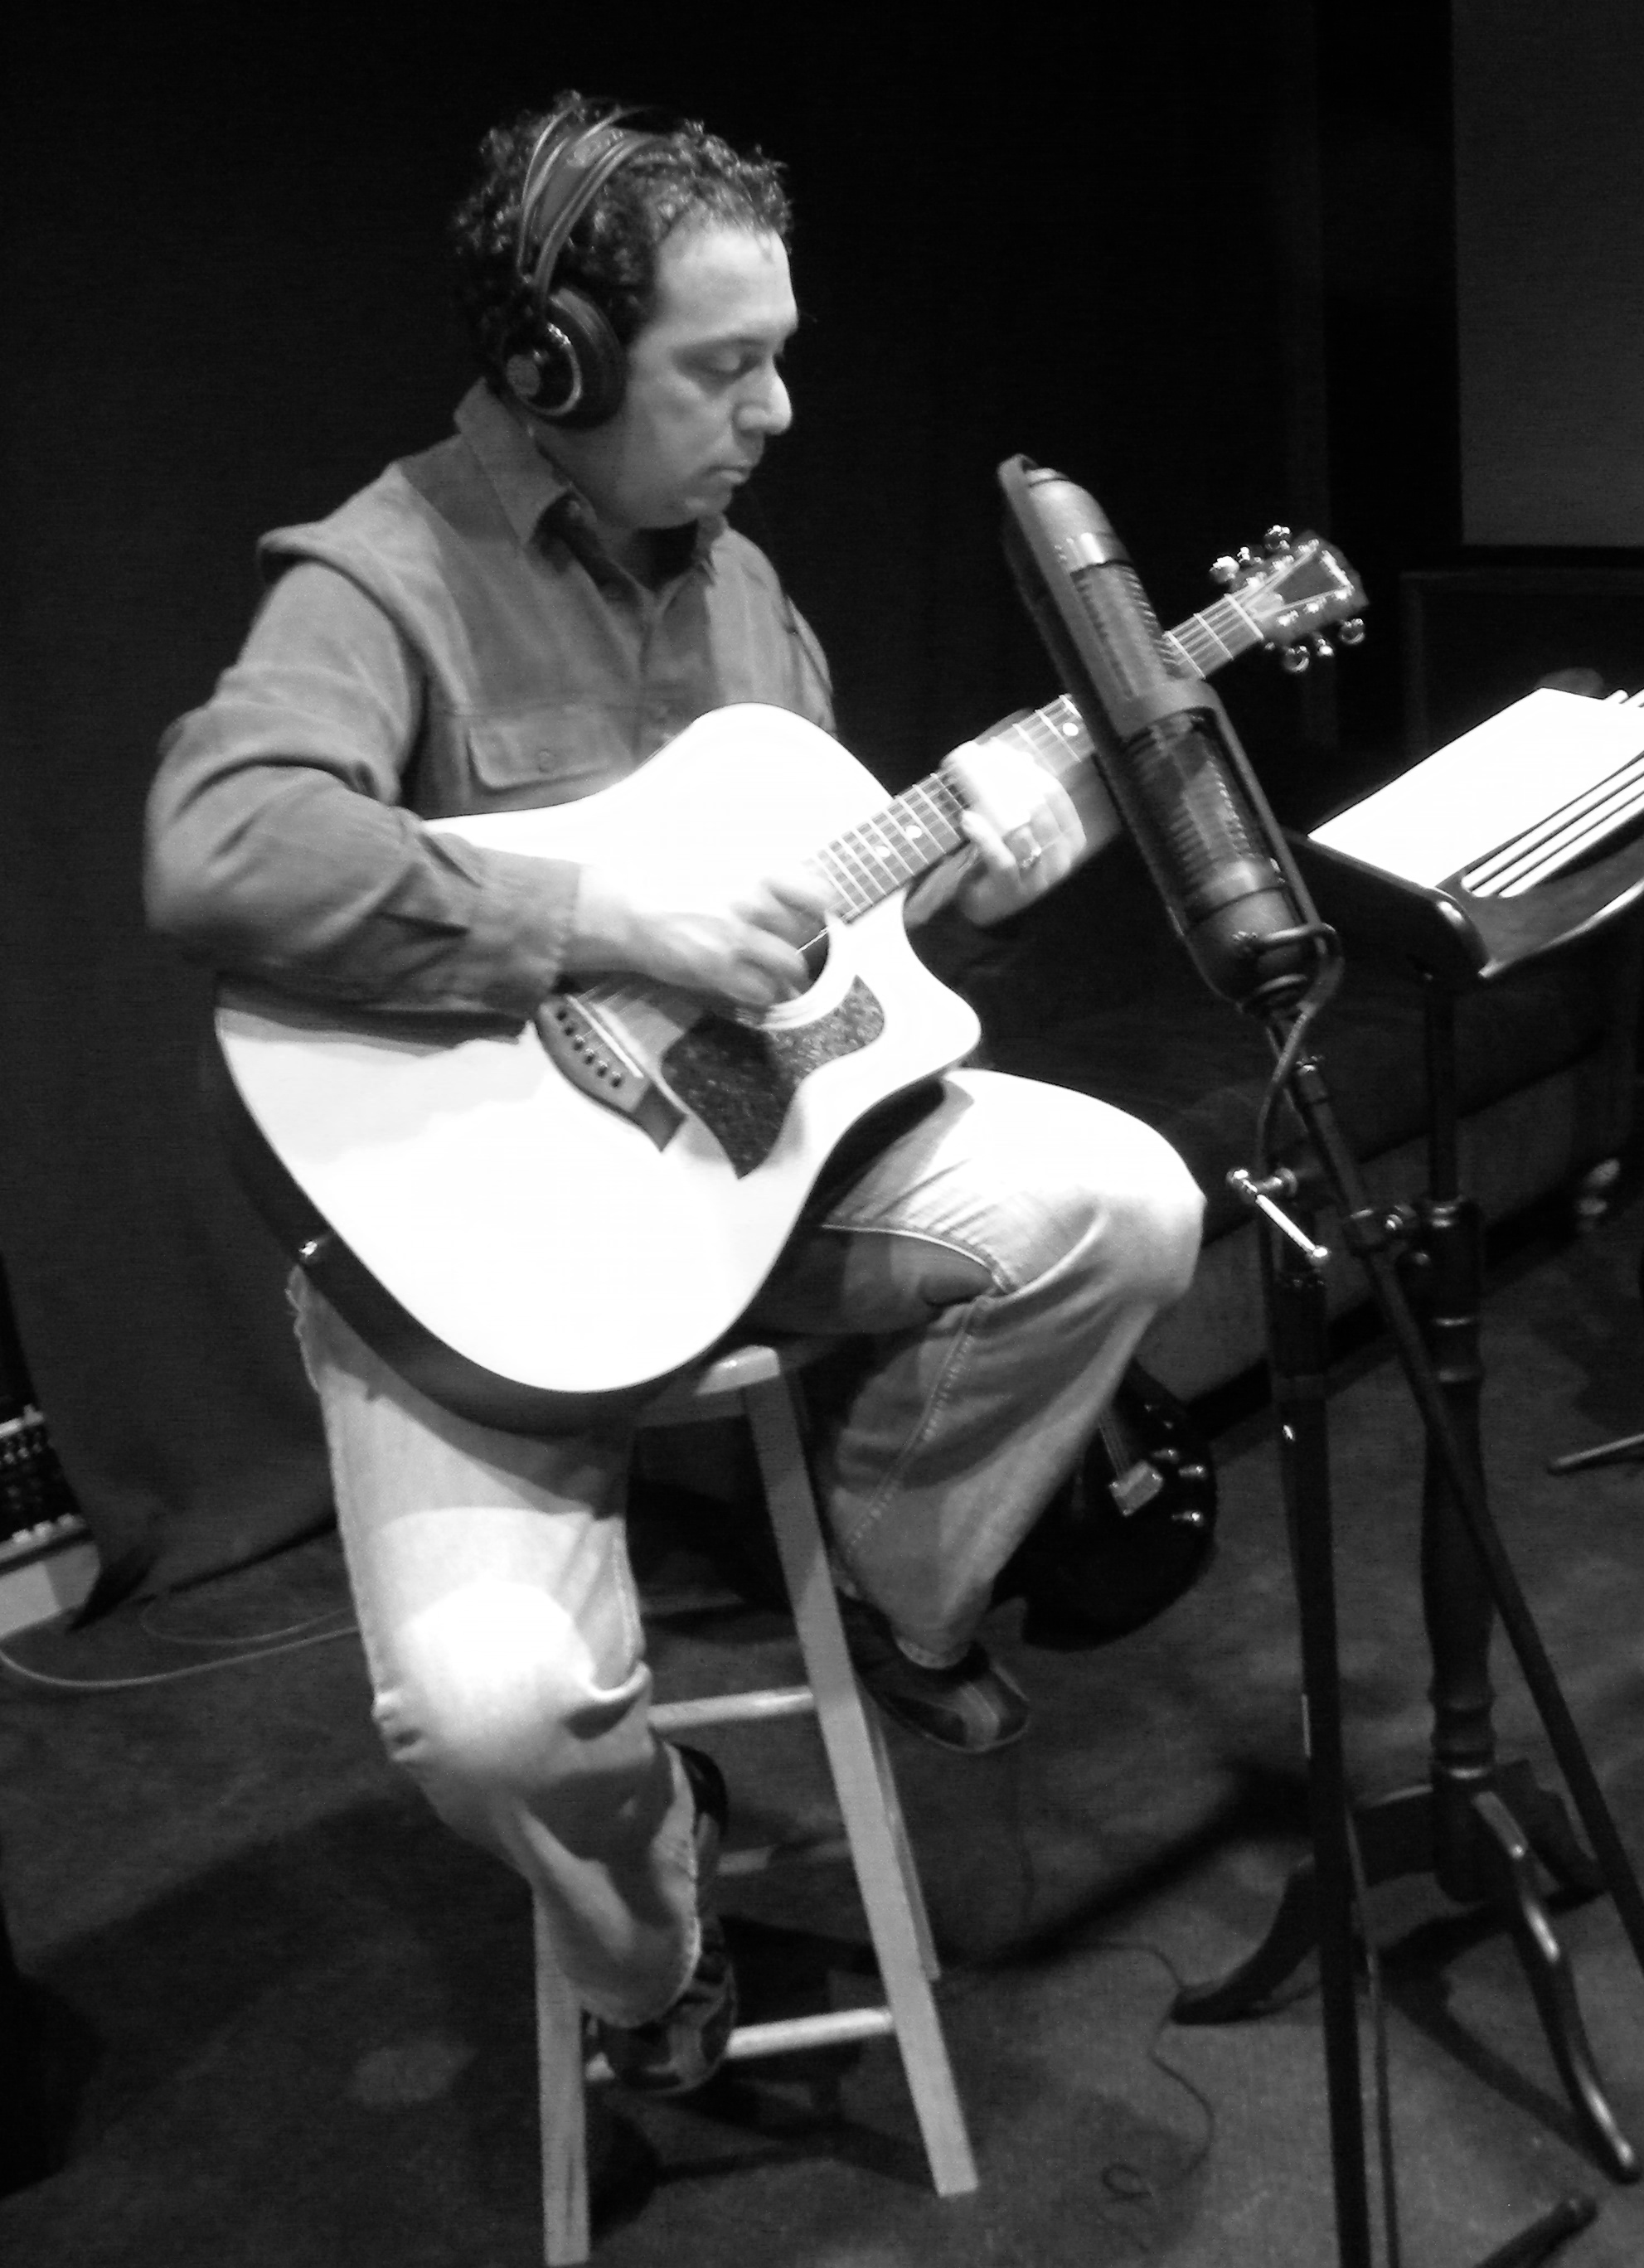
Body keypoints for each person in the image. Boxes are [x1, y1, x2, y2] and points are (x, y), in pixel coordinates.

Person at [143, 95, 1202, 2095]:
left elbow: (823, 971)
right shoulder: (381, 579)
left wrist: (954, 892)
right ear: (555, 363)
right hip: (464, 1291)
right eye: (727, 365)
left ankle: (907, 1594)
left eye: (781, 352)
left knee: (1129, 1205)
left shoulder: (745, 592)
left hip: (740, 1196)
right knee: (500, 1723)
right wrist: (587, 901)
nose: (780, 409)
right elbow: (219, 855)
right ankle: (658, 1955)